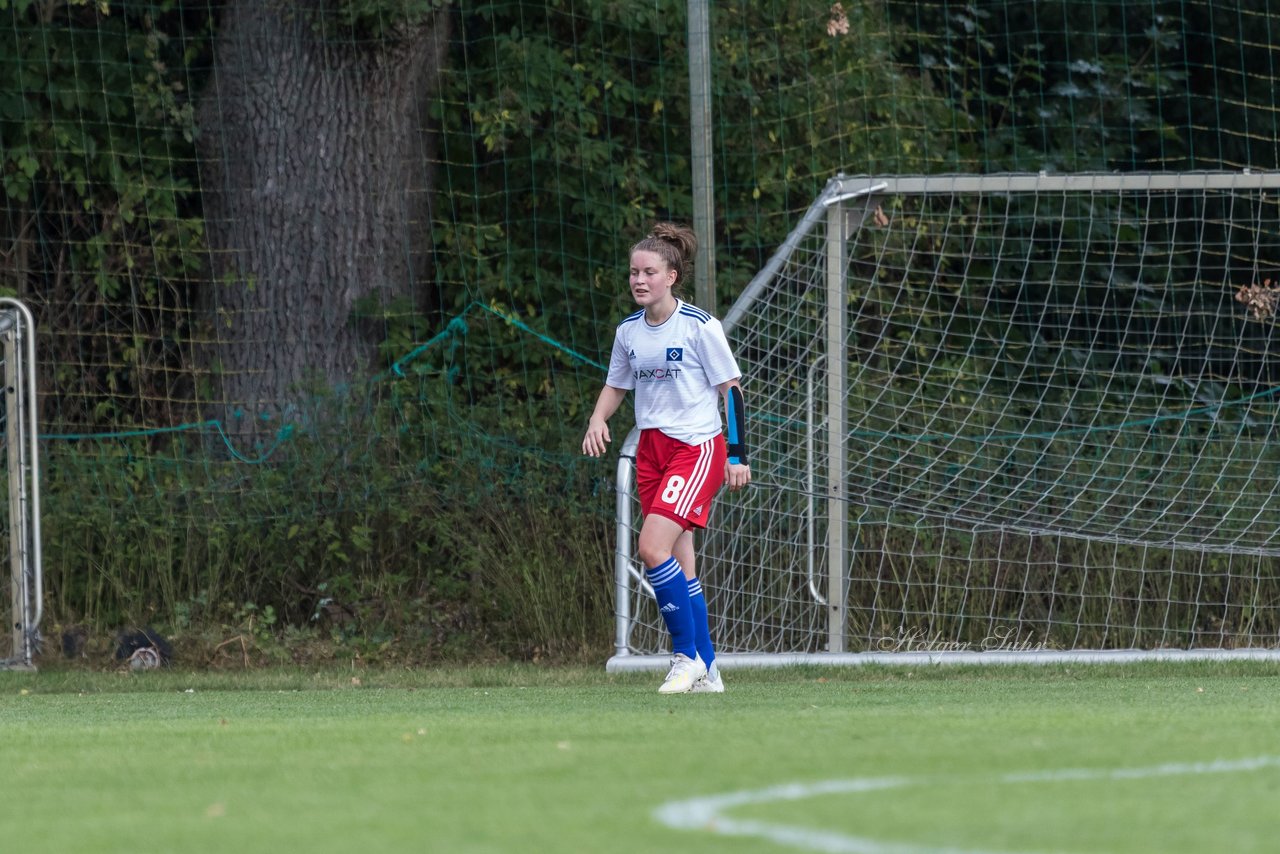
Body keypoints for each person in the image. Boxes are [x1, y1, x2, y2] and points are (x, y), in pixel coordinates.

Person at [582, 222, 751, 694]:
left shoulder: (700, 326)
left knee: (651, 549)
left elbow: (730, 391)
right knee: (681, 563)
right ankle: (710, 671)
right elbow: (617, 383)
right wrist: (598, 420)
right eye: (633, 272)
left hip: (696, 448)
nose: (638, 280)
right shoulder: (629, 332)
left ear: (671, 276)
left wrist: (736, 455)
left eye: (649, 272)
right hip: (651, 451)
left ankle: (684, 656)